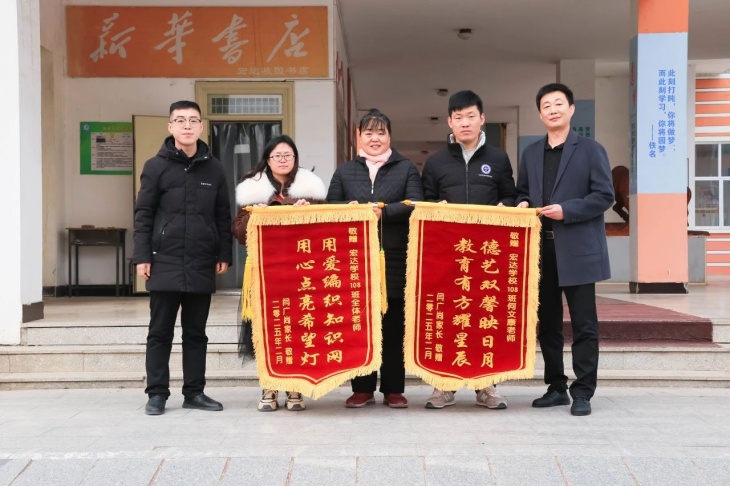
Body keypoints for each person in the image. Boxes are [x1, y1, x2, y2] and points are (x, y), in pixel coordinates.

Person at [515, 83, 614, 416]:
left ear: (571, 109)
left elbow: (604, 196)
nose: (553, 109)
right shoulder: (531, 153)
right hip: (541, 252)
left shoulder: (590, 150)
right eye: (546, 105)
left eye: (559, 103)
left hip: (578, 250)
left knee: (584, 324)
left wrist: (566, 210)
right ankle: (556, 387)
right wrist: (522, 202)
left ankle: (583, 391)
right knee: (548, 324)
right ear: (540, 114)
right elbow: (521, 191)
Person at [134, 100, 232, 416]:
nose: (187, 126)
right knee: (160, 332)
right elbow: (144, 214)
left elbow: (222, 214)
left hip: (201, 260)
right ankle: (157, 394)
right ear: (170, 127)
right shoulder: (155, 166)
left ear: (201, 126)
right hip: (164, 259)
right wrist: (142, 256)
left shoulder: (214, 168)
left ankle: (194, 392)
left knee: (196, 333)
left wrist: (224, 252)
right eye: (180, 120)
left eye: (192, 120)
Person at [420, 90, 517, 410]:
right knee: (449, 316)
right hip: (448, 255)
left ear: (482, 119)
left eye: (470, 116)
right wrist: (436, 207)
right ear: (449, 122)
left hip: (487, 256)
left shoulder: (498, 159)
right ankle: (443, 386)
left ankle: (486, 385)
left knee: (485, 316)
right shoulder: (435, 162)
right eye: (458, 117)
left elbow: (510, 196)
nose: (465, 123)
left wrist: (506, 206)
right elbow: (424, 202)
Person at [327, 109, 423, 409]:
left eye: (381, 133)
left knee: (393, 326)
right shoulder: (345, 171)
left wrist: (384, 211)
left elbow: (415, 203)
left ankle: (394, 389)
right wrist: (350, 208)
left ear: (390, 136)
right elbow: (331, 205)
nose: (375, 139)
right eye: (368, 133)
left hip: (395, 258)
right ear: (359, 137)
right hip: (354, 259)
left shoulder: (405, 168)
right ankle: (362, 388)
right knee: (360, 325)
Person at [232, 134, 328, 412]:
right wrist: (255, 217)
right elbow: (238, 232)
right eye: (277, 156)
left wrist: (309, 212)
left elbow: (326, 230)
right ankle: (269, 386)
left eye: (288, 155)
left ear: (295, 158)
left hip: (302, 274)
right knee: (267, 329)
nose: (283, 160)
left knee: (297, 329)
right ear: (268, 159)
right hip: (266, 274)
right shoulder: (252, 188)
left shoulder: (311, 188)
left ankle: (295, 388)